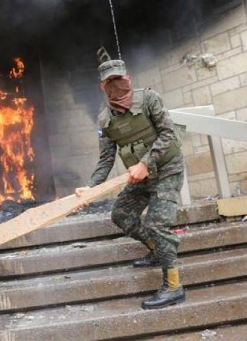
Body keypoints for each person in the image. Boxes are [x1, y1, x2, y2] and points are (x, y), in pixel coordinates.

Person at [75, 48, 186, 309]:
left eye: (119, 79)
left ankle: (174, 287)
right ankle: (157, 250)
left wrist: (146, 163)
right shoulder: (105, 120)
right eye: (109, 82)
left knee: (157, 224)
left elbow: (168, 134)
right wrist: (90, 188)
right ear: (102, 86)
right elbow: (105, 160)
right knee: (121, 215)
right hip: (140, 179)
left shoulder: (149, 99)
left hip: (167, 170)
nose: (116, 85)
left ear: (129, 79)